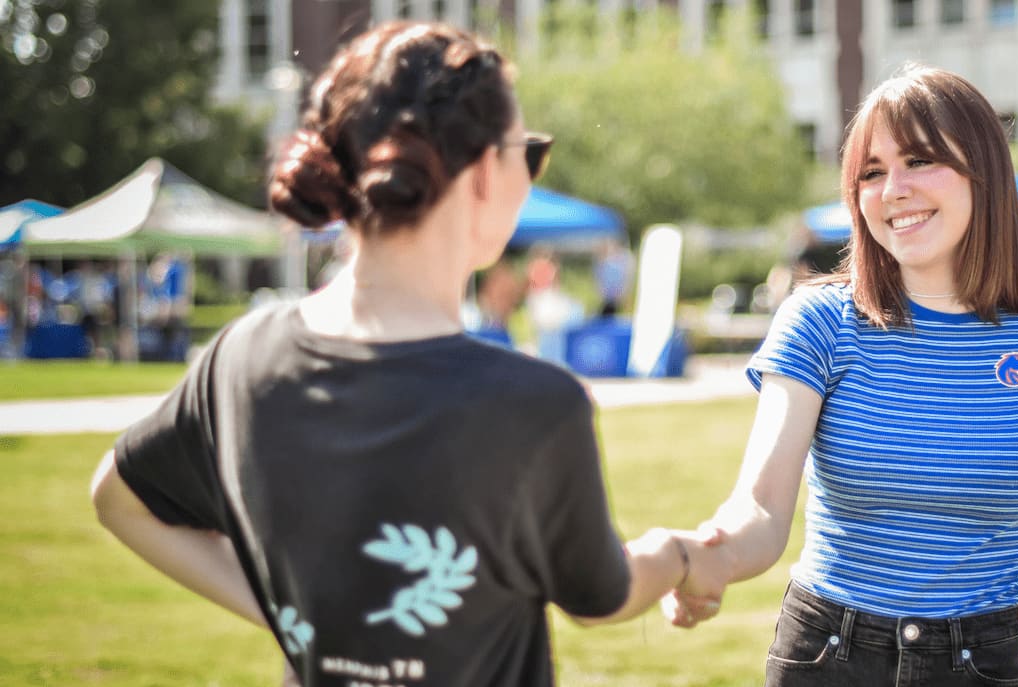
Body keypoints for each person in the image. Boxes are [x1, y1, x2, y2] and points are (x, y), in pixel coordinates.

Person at [89, 21, 730, 687]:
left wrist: (304, 619)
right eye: (528, 153)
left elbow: (116, 497)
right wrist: (677, 554)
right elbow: (602, 597)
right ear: (485, 171)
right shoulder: (532, 403)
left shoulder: (241, 353)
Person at [663, 65, 1018, 687]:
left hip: (980, 665)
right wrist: (708, 558)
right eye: (872, 172)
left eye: (919, 160)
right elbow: (761, 506)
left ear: (984, 172)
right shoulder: (820, 320)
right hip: (827, 657)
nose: (893, 190)